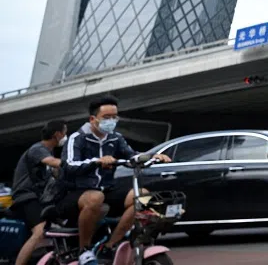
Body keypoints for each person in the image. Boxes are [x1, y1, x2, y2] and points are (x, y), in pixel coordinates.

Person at [59, 96, 170, 265]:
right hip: (76, 193)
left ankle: (111, 245)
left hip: (106, 190)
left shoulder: (115, 138)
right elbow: (69, 165)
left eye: (114, 117)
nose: (111, 121)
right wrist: (97, 161)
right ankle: (84, 250)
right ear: (92, 119)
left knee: (142, 196)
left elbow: (132, 155)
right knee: (96, 197)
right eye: (106, 118)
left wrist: (152, 156)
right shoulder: (78, 138)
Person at [10, 120, 67, 265]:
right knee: (39, 232)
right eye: (65, 132)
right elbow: (53, 162)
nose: (66, 136)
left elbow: (56, 173)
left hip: (39, 198)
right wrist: (77, 163)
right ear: (57, 134)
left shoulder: (49, 150)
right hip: (26, 197)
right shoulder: (38, 149)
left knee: (62, 226)